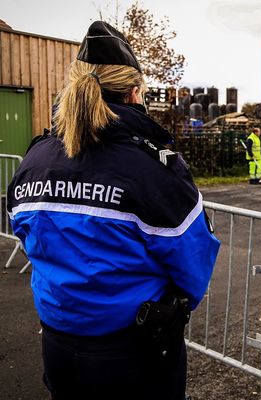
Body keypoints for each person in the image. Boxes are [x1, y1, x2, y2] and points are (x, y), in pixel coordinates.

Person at [7, 21, 220, 400]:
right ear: (135, 93)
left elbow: (25, 234)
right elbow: (194, 265)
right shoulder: (151, 168)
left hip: (57, 342)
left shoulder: (35, 158)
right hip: (133, 352)